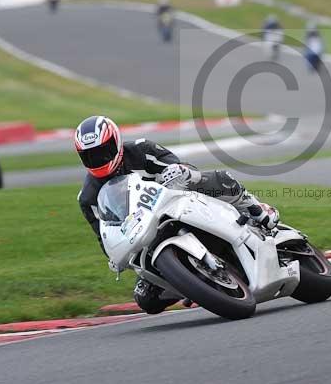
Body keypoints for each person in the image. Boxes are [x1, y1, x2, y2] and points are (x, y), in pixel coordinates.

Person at [74, 115, 279, 314]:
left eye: (103, 151)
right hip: (146, 232)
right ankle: (191, 285)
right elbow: (104, 235)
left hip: (177, 202)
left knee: (213, 178)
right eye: (90, 155)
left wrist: (176, 170)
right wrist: (113, 256)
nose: (98, 159)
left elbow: (179, 165)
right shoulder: (88, 198)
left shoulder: (141, 149)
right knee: (145, 299)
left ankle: (257, 210)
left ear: (116, 142)